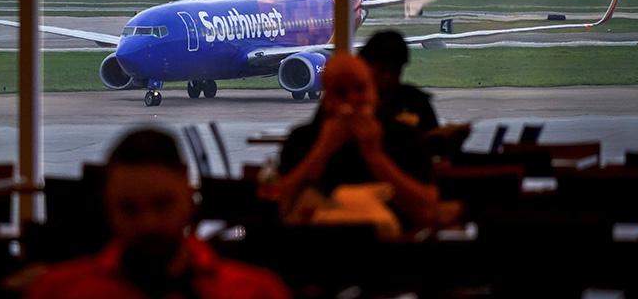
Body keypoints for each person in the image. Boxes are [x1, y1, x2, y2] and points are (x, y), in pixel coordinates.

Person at [27, 128, 290, 299]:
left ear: (189, 192)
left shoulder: (257, 291)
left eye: (163, 204)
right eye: (129, 209)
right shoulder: (55, 291)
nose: (148, 224)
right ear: (106, 204)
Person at [278, 53, 459, 228]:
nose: (352, 98)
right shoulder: (302, 139)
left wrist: (375, 156)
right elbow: (276, 204)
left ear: (374, 92)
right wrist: (322, 150)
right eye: (340, 92)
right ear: (327, 99)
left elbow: (427, 208)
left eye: (360, 88)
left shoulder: (404, 137)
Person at [359, 30, 471, 156]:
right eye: (382, 70)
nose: (389, 77)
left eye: (395, 70)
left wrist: (449, 141)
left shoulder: (415, 100)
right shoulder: (357, 103)